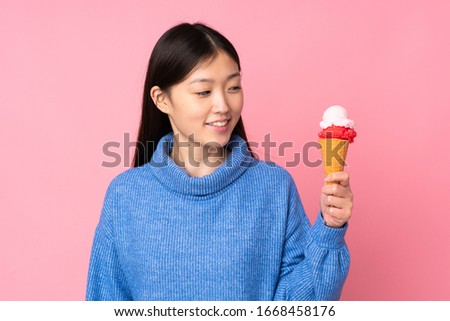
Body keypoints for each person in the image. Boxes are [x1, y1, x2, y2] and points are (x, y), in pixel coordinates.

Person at [86, 22, 353, 301]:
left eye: (233, 87)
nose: (224, 106)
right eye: (203, 92)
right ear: (162, 99)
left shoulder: (274, 187)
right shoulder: (125, 196)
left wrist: (330, 229)